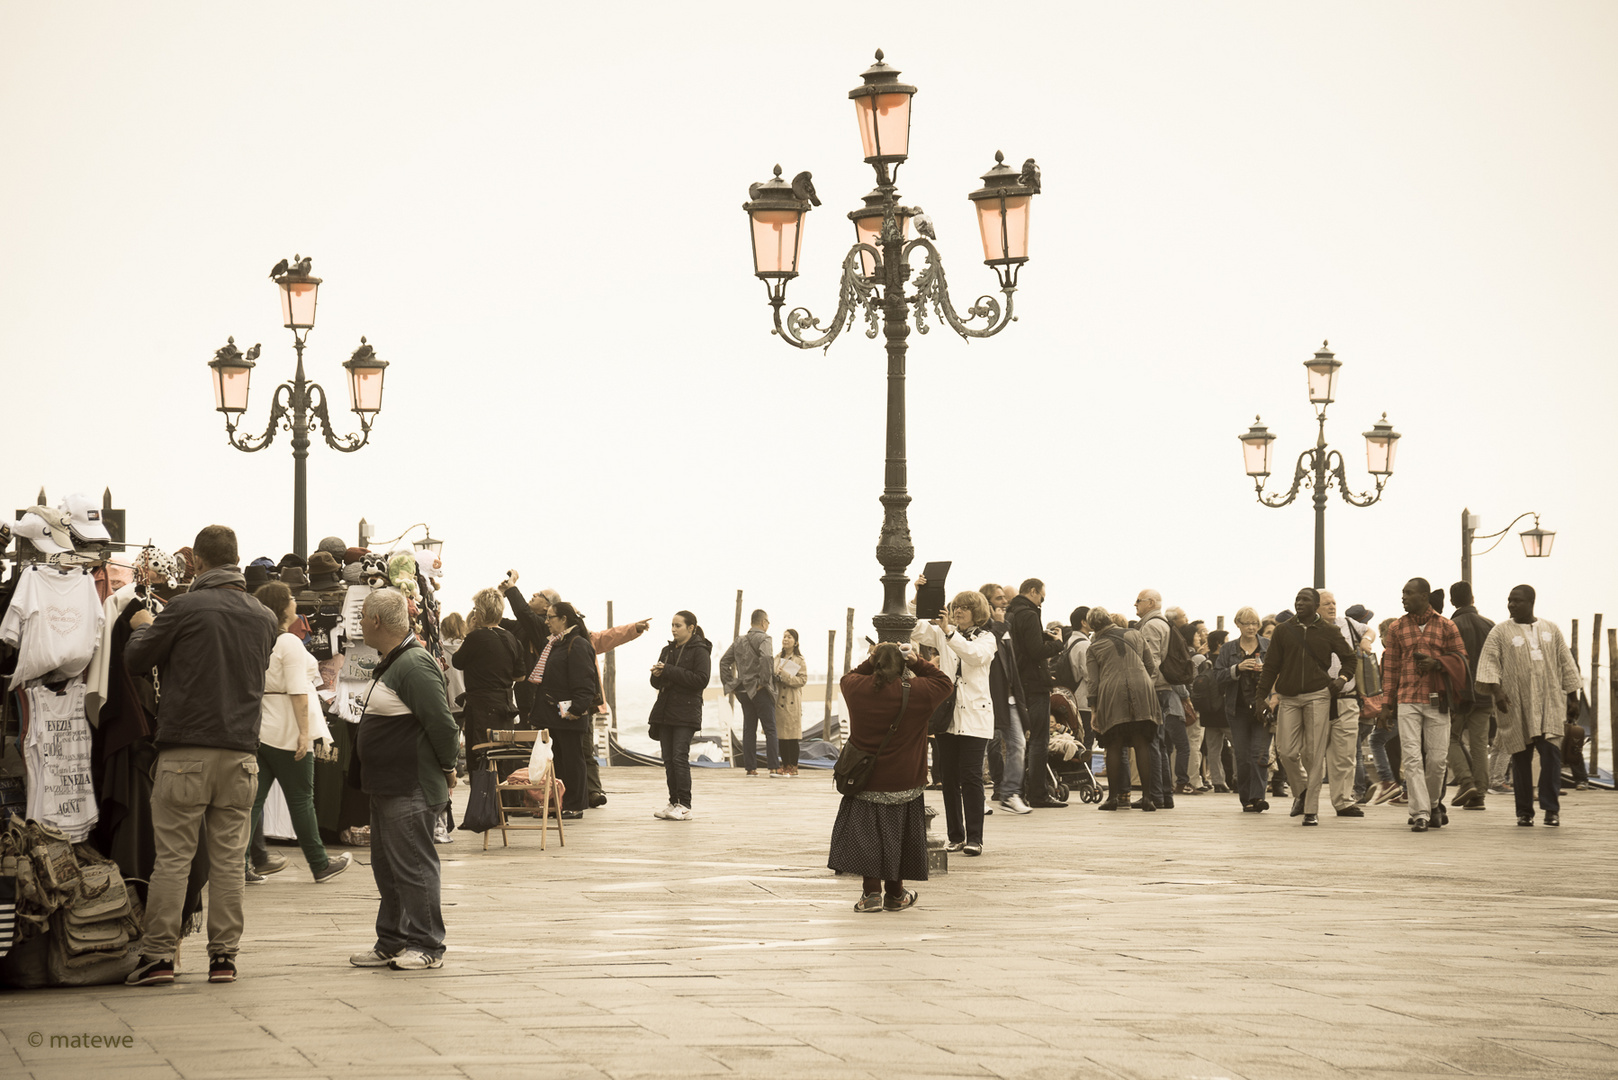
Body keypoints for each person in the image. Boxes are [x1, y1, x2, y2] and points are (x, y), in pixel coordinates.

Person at [122, 525, 278, 987]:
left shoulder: (183, 608)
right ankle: (223, 958)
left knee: (174, 859)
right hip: (241, 755)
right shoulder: (264, 616)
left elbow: (136, 660)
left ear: (199, 564)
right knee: (230, 861)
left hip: (185, 752)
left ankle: (158, 957)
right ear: (235, 559)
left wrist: (142, 628)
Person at [348, 589, 460, 971]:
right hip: (386, 783)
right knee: (388, 868)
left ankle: (427, 945)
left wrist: (448, 768)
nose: (358, 622)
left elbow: (443, 725)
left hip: (408, 784)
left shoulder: (414, 664)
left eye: (362, 616)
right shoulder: (393, 662)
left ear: (377, 621)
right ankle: (392, 940)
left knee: (412, 866)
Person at [828, 643, 953, 912]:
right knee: (900, 837)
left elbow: (848, 676)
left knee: (868, 838)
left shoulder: (856, 689)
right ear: (903, 667)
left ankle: (871, 894)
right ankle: (896, 894)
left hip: (867, 780)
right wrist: (917, 661)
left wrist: (872, 659)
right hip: (906, 780)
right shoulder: (918, 692)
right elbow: (944, 682)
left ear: (875, 663)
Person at [248, 582, 350, 884]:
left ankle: (239, 864)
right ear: (281, 607)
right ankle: (319, 863)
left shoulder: (259, 639)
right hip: (288, 728)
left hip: (264, 725)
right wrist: (304, 733)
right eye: (291, 598)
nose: (295, 601)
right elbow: (297, 691)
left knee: (253, 801)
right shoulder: (289, 643)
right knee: (301, 799)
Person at [1473, 585, 1582, 827]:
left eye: (1517, 601)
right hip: (1515, 704)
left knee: (1551, 756)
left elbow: (1566, 663)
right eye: (1509, 600)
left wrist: (1573, 698)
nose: (1511, 605)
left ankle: (1551, 809)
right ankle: (1524, 811)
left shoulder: (1551, 629)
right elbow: (1489, 662)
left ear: (1531, 602)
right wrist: (1497, 690)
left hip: (1549, 703)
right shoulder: (1500, 631)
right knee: (1520, 758)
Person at [1258, 588, 1357, 827]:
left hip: (1318, 696)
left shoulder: (1329, 630)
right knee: (1286, 751)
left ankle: (1311, 810)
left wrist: (1342, 679)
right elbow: (1271, 665)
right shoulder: (1283, 630)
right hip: (1289, 697)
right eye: (1297, 599)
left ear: (1315, 604)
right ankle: (1302, 791)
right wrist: (1261, 696)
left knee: (1313, 753)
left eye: (1305, 600)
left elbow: (1350, 658)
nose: (1299, 603)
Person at [910, 590, 997, 855]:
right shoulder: (941, 631)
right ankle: (955, 835)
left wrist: (949, 633)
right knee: (948, 778)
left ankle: (975, 838)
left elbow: (974, 656)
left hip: (975, 717)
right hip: (947, 717)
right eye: (956, 606)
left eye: (965, 608)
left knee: (971, 777)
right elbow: (912, 627)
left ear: (977, 612)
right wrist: (916, 597)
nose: (958, 611)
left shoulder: (987, 638)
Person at [1381, 577, 1468, 832]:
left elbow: (1462, 659)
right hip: (1407, 700)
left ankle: (1430, 804)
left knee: (1438, 759)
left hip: (1437, 699)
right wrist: (1386, 705)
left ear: (1424, 596)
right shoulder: (1397, 628)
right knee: (1411, 757)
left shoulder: (1446, 626)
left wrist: (1437, 663)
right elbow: (1390, 669)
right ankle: (1420, 813)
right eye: (1403, 593)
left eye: (1408, 594)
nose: (1403, 598)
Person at [1084, 607, 1162, 812]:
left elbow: (1093, 682)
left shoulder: (1094, 647)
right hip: (1142, 688)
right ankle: (1147, 798)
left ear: (1092, 626)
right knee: (1141, 742)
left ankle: (1112, 798)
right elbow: (1151, 666)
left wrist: (1094, 709)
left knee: (1114, 744)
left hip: (1112, 693)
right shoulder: (1135, 634)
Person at [537, 602, 602, 819]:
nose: (546, 622)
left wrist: (577, 709)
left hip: (569, 714)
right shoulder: (557, 644)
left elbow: (585, 680)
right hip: (555, 714)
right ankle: (562, 802)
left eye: (550, 617)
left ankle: (575, 804)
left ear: (563, 619)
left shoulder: (577, 644)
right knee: (561, 761)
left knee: (574, 760)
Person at [450, 588, 525, 772]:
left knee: (481, 760)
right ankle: (502, 799)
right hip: (505, 707)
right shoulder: (512, 639)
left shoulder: (475, 638)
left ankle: (483, 800)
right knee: (503, 759)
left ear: (480, 612)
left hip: (481, 708)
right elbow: (521, 675)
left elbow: (457, 662)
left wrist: (468, 631)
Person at [1006, 579, 1066, 807]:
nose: (1042, 600)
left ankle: (1016, 790)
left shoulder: (1010, 615)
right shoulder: (1029, 614)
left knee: (1018, 740)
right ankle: (1039, 794)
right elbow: (1036, 651)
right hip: (1034, 683)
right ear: (1033, 592)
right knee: (1040, 739)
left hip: (1017, 682)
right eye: (1042, 596)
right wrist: (1057, 644)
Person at [648, 610, 711, 820]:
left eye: (678, 626)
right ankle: (673, 801)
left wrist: (668, 670)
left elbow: (701, 680)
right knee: (668, 759)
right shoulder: (667, 650)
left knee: (679, 757)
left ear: (691, 628)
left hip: (687, 711)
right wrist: (656, 674)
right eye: (672, 625)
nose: (674, 629)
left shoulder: (700, 651)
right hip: (665, 711)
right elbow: (657, 682)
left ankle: (684, 805)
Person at [1318, 590, 1370, 818]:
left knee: (1346, 754)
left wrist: (1367, 640)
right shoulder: (1306, 628)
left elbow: (1369, 630)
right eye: (1326, 604)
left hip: (1346, 698)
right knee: (1309, 753)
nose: (1332, 606)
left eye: (1334, 602)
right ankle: (1304, 797)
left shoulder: (1346, 623)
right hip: (1316, 698)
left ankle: (1343, 801)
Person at [1445, 581, 1496, 810]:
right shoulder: (1490, 625)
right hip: (1485, 694)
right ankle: (1479, 796)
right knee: (1479, 745)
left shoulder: (1450, 626)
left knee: (1449, 739)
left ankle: (1466, 782)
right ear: (1473, 598)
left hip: (1459, 695)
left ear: (1452, 601)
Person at [1215, 612, 1272, 810]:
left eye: (1255, 623)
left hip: (1262, 708)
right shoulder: (1228, 648)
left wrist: (1267, 673)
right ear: (1237, 624)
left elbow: (1280, 672)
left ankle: (1258, 797)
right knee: (1242, 754)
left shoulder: (1268, 645)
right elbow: (1218, 676)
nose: (1251, 627)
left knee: (1260, 754)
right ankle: (1246, 798)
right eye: (1247, 623)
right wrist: (1237, 668)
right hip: (1237, 708)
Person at [1133, 589, 1178, 810]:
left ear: (1150, 603)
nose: (1135, 605)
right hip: (1164, 688)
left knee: (1150, 742)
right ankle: (1165, 794)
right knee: (1159, 743)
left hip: (1154, 689)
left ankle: (1154, 794)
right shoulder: (1164, 623)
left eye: (1138, 602)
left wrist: (1143, 690)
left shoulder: (1150, 626)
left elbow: (1151, 662)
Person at [720, 610, 779, 776]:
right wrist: (764, 681)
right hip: (760, 690)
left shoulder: (739, 640)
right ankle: (773, 767)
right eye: (768, 622)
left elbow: (724, 661)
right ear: (763, 622)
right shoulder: (765, 638)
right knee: (770, 729)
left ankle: (751, 768)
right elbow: (767, 658)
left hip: (744, 690)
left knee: (749, 729)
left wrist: (731, 684)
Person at [774, 630, 809, 776]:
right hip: (778, 699)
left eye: (789, 637)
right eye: (784, 636)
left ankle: (793, 766)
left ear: (796, 642)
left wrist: (786, 675)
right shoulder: (776, 657)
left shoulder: (799, 660)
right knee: (781, 735)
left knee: (792, 735)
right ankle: (785, 764)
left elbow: (802, 680)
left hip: (792, 700)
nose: (785, 639)